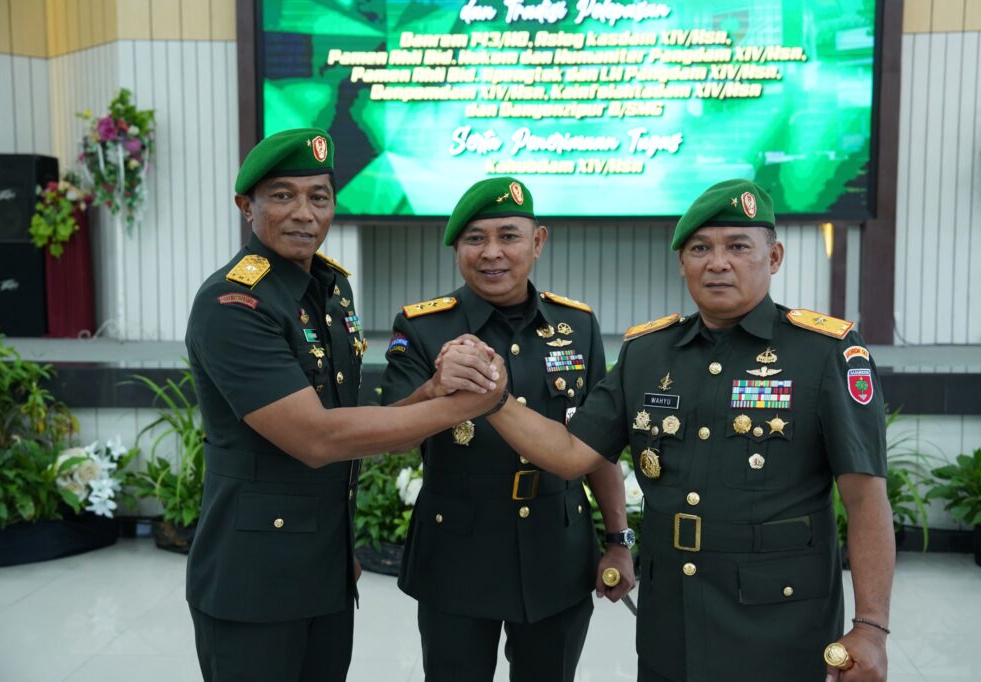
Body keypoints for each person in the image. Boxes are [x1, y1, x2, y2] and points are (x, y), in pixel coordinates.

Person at [480, 179, 894, 681]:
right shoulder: (647, 353)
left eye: (737, 247)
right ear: (682, 262)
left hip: (781, 623)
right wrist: (494, 398)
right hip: (671, 615)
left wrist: (871, 627)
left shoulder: (825, 353)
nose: (717, 263)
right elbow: (570, 453)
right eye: (700, 249)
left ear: (774, 257)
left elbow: (865, 498)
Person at [183, 128, 504, 682]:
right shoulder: (233, 303)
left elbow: (359, 425)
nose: (304, 213)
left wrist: (433, 391)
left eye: (319, 196)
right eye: (282, 195)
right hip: (253, 581)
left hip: (325, 568)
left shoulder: (330, 290)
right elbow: (317, 438)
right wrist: (468, 405)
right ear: (246, 206)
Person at [380, 176, 636, 681]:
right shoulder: (423, 327)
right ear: (457, 248)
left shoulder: (577, 325)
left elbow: (598, 445)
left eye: (509, 236)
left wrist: (618, 539)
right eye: (475, 238)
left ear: (537, 242)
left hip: (556, 550)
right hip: (456, 551)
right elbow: (393, 437)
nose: (491, 252)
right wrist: (433, 389)